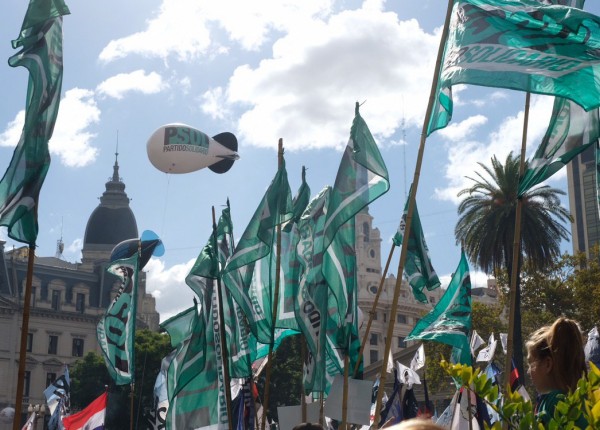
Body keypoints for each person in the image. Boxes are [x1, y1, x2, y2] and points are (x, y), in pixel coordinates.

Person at [525, 317, 587, 427]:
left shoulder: (553, 402)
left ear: (547, 364)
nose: (528, 371)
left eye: (531, 364)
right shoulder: (587, 400)